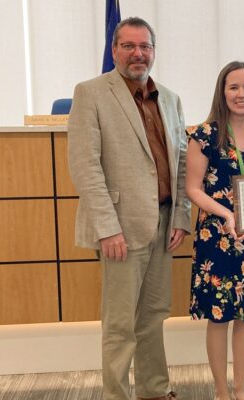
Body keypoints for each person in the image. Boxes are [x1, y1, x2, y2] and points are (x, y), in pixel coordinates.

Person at [68, 17, 190, 400]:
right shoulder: (91, 93)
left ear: (153, 51)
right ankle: (116, 394)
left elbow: (182, 162)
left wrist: (182, 217)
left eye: (145, 47)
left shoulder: (170, 99)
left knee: (153, 316)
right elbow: (85, 166)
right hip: (120, 227)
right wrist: (107, 228)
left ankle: (155, 389)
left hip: (164, 223)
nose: (138, 54)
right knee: (120, 324)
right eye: (129, 46)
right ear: (114, 49)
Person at [186, 61, 244, 400]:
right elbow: (193, 189)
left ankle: (241, 388)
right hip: (218, 237)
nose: (241, 94)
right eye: (234, 87)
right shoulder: (204, 134)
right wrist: (227, 214)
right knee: (219, 315)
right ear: (222, 92)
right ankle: (221, 391)